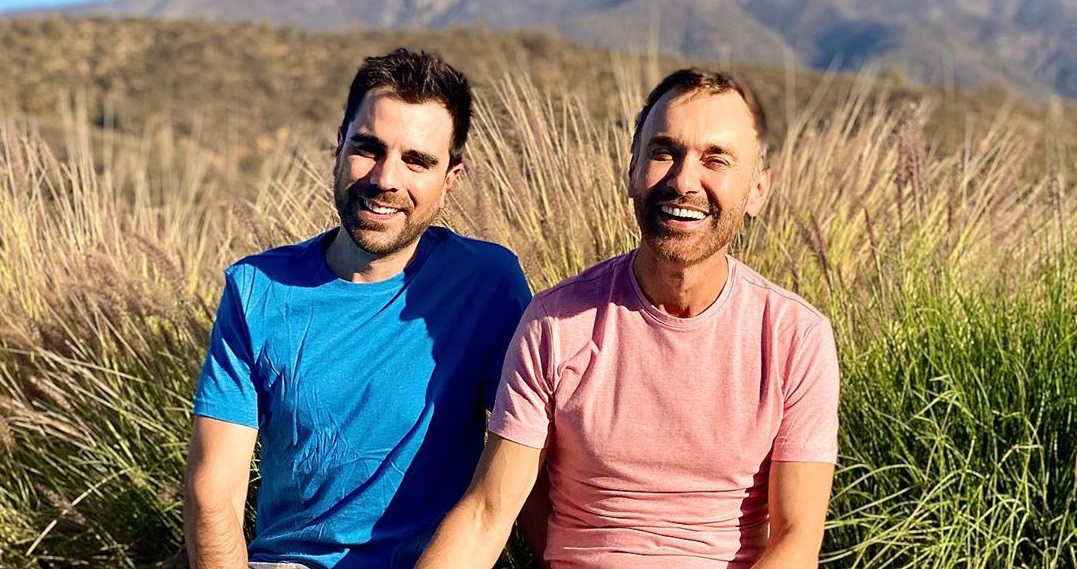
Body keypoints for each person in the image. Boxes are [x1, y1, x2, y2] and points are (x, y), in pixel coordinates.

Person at [416, 68, 841, 569]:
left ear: (756, 191)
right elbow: (488, 513)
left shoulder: (795, 337)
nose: (684, 181)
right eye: (665, 152)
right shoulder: (555, 323)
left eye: (715, 160)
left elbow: (795, 542)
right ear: (633, 171)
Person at [182, 48, 532, 569]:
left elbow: (532, 447)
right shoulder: (257, 289)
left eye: (417, 160)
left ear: (450, 180)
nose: (386, 178)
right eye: (368, 148)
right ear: (337, 149)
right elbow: (214, 491)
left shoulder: (488, 284)